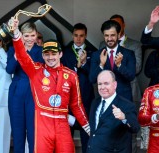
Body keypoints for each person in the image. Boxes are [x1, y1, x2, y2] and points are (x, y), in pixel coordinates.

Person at [9, 17, 90, 153]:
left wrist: (87, 127)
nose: (50, 57)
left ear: (60, 54)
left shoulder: (71, 75)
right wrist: (16, 33)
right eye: (47, 54)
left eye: (54, 54)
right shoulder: (36, 71)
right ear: (43, 55)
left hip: (62, 126)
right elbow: (23, 57)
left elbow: (76, 105)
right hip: (43, 127)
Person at [6, 22, 44, 153]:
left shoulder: (40, 51)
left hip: (34, 93)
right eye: (26, 35)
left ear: (36, 35)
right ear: (21, 36)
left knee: (34, 132)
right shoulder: (13, 49)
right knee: (17, 132)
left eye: (32, 35)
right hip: (16, 92)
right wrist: (18, 53)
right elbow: (9, 69)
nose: (29, 39)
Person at [87, 70, 140, 153]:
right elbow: (94, 132)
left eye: (106, 83)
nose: (102, 87)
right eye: (100, 84)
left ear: (115, 85)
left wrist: (124, 117)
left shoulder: (126, 105)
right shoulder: (95, 103)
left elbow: (135, 127)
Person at [61, 23, 95, 153]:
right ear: (72, 35)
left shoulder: (92, 52)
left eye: (81, 36)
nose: (78, 39)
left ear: (85, 36)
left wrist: (84, 63)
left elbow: (93, 76)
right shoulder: (65, 52)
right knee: (66, 134)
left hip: (86, 98)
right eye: (76, 35)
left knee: (86, 132)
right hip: (68, 98)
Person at [99, 14, 142, 107]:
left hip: (129, 89)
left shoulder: (135, 45)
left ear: (123, 25)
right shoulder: (102, 45)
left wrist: (124, 58)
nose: (116, 27)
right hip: (108, 91)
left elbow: (137, 68)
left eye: (118, 24)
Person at [90, 19, 136, 101]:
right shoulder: (96, 55)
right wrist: (101, 64)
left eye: (112, 35)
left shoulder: (128, 54)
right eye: (106, 35)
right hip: (103, 99)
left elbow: (131, 76)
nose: (109, 38)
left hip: (124, 99)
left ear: (118, 35)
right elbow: (92, 79)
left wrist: (120, 65)